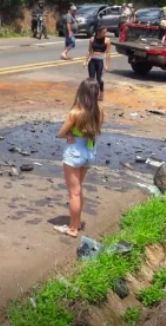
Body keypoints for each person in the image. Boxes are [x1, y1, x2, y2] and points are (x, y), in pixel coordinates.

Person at [54, 78, 103, 238]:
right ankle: (77, 222)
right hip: (89, 150)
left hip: (75, 151)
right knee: (79, 189)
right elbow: (93, 130)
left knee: (73, 193)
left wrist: (68, 134)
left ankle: (73, 228)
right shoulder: (100, 112)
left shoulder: (75, 113)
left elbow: (60, 133)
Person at [84, 26, 112, 101]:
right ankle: (91, 95)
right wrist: (85, 61)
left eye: (106, 32)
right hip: (93, 60)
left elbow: (108, 54)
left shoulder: (107, 40)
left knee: (99, 79)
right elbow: (89, 51)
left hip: (100, 61)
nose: (105, 33)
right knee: (91, 79)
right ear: (99, 32)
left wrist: (107, 65)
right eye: (104, 32)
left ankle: (101, 92)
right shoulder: (92, 39)